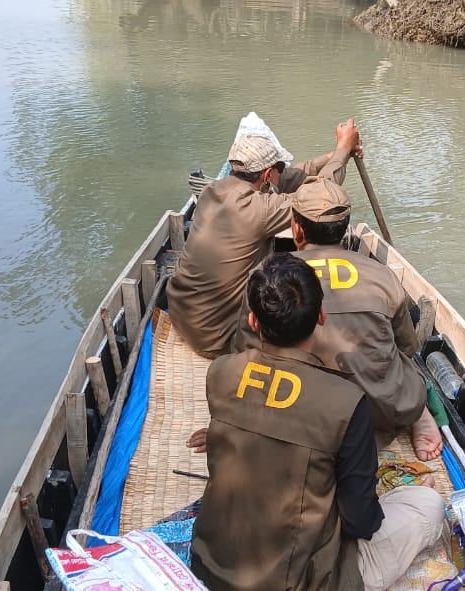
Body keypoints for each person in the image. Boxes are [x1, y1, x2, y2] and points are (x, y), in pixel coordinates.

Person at [187, 253, 446, 591]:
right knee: (428, 505)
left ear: (253, 322)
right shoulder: (345, 401)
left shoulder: (221, 372)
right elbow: (361, 522)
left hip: (211, 566)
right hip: (304, 582)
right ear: (321, 316)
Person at [230, 179, 444, 461]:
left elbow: (245, 349)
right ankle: (418, 412)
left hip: (297, 412)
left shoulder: (269, 277)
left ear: (296, 228)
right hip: (378, 412)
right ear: (345, 230)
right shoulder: (382, 275)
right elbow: (407, 347)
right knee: (405, 363)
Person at [166, 119, 362, 358]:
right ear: (268, 174)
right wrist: (343, 149)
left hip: (181, 312)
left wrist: (338, 153)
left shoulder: (213, 191)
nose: (283, 173)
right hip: (216, 336)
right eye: (279, 168)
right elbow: (320, 197)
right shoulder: (256, 210)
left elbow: (292, 175)